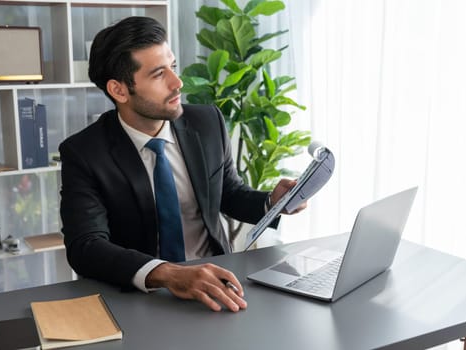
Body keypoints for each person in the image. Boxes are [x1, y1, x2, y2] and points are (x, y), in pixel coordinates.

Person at [59, 16, 305, 313]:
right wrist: (170, 274)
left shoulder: (207, 122)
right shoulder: (85, 152)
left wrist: (271, 201)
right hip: (140, 299)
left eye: (172, 67)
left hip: (217, 288)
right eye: (159, 74)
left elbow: (228, 193)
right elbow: (86, 246)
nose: (178, 83)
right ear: (119, 90)